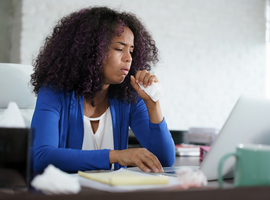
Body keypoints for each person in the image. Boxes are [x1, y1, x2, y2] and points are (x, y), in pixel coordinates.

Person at [30, 6, 175, 173]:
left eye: (132, 51)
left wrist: (152, 103)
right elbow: (41, 158)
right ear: (91, 50)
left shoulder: (128, 97)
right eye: (119, 49)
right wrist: (117, 156)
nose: (128, 59)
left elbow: (164, 160)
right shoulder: (54, 92)